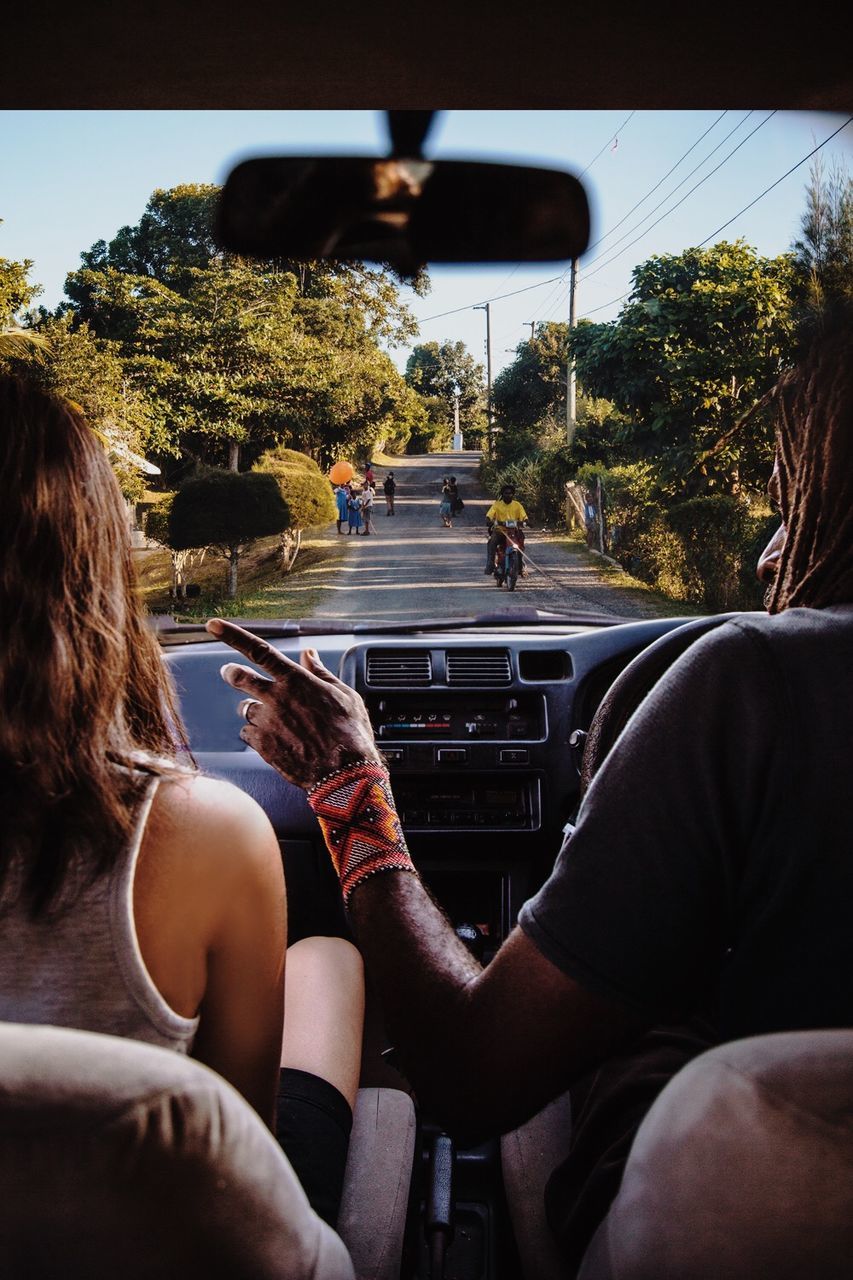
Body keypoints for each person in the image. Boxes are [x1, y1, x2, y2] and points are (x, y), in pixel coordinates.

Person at [211, 307, 853, 1270]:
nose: (768, 556)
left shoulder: (756, 683)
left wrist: (350, 787)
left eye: (789, 502)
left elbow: (472, 1076)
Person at [0, 375, 364, 1230]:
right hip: (147, 1239)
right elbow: (243, 1153)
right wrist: (354, 799)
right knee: (329, 960)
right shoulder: (198, 831)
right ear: (89, 566)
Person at [484, 483, 527, 576]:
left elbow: (524, 516)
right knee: (492, 542)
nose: (508, 495)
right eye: (506, 493)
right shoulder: (497, 505)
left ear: (513, 494)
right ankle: (490, 565)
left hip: (514, 531)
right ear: (502, 494)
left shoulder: (517, 505)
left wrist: (527, 521)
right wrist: (489, 520)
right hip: (500, 531)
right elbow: (489, 515)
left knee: (520, 545)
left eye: (510, 493)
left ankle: (521, 567)